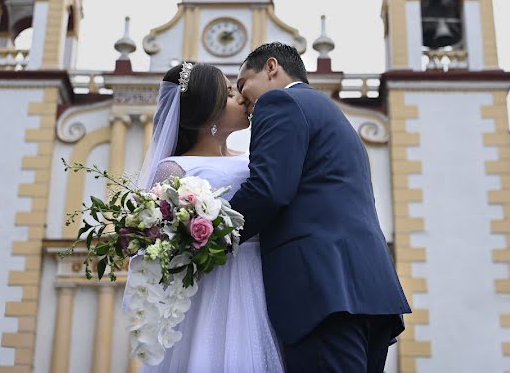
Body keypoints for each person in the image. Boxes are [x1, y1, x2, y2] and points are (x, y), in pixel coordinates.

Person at [230, 42, 411, 373]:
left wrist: (207, 235)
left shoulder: (280, 101)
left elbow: (268, 191)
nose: (243, 101)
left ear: (272, 68)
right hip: (370, 289)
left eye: (243, 85)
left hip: (319, 290)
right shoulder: (331, 115)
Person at [132, 61, 284, 372]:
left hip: (263, 278)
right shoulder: (175, 169)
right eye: (229, 94)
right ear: (207, 114)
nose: (241, 97)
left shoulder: (258, 158)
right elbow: (157, 247)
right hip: (214, 289)